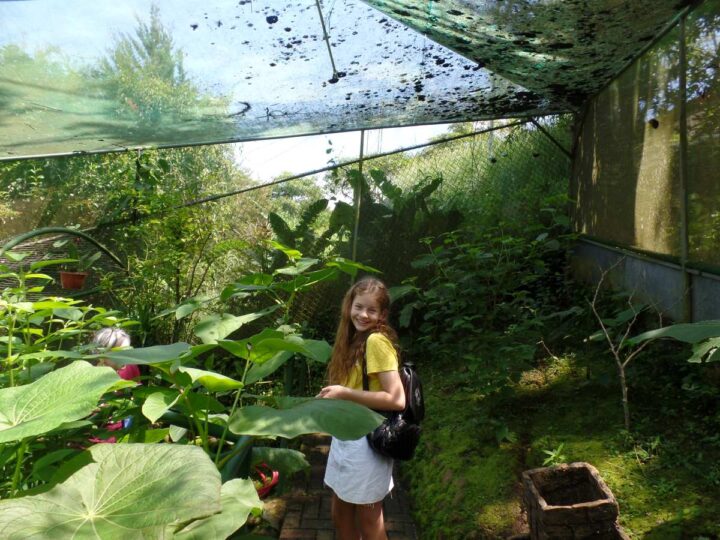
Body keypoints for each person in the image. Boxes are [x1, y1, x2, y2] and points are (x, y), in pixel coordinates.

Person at [317, 277, 406, 539]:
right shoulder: (354, 339)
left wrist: (344, 393)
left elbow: (397, 399)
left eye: (372, 310)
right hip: (347, 436)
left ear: (382, 314)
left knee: (369, 521)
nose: (363, 314)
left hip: (367, 440)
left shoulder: (376, 341)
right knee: (340, 513)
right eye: (359, 307)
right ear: (349, 306)